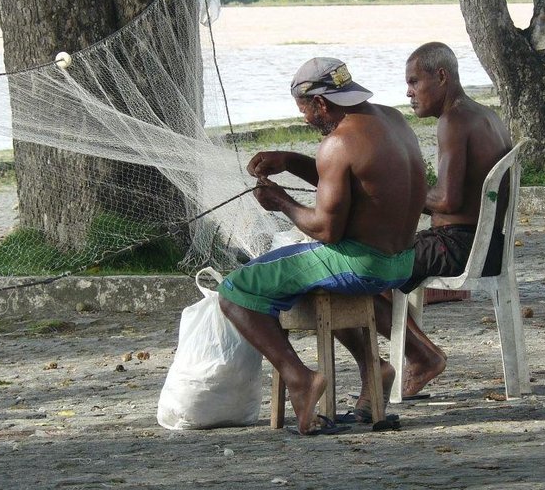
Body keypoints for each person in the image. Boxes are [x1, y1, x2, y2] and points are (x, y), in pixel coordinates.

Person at [217, 57, 427, 435]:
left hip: (362, 265)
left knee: (236, 290)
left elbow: (326, 230)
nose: (305, 120)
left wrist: (280, 201)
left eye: (305, 110)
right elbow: (350, 182)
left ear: (322, 104)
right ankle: (373, 367)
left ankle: (298, 377)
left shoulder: (338, 142)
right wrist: (292, 161)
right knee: (296, 282)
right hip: (401, 261)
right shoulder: (392, 120)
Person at [391, 41, 513, 398]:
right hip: (489, 245)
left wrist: (400, 195)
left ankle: (422, 356)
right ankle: (418, 355)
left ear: (441, 76)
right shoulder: (485, 115)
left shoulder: (453, 120)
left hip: (459, 246)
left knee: (371, 266)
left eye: (415, 82)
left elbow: (447, 199)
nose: (409, 92)